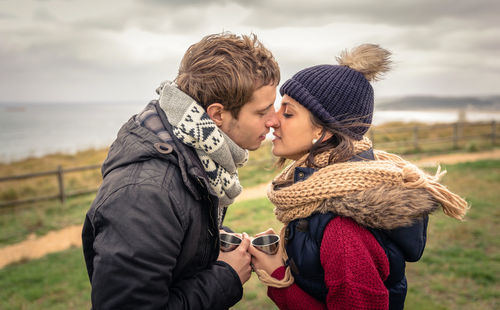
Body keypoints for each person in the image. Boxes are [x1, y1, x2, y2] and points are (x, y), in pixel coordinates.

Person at [248, 44, 469, 309]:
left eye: (288, 112)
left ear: (324, 131)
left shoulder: (344, 227)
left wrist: (276, 278)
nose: (272, 120)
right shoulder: (320, 191)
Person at [82, 32, 280, 309]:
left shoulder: (195, 154)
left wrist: (218, 239)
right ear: (217, 115)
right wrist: (227, 276)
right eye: (262, 112)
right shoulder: (145, 195)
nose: (274, 120)